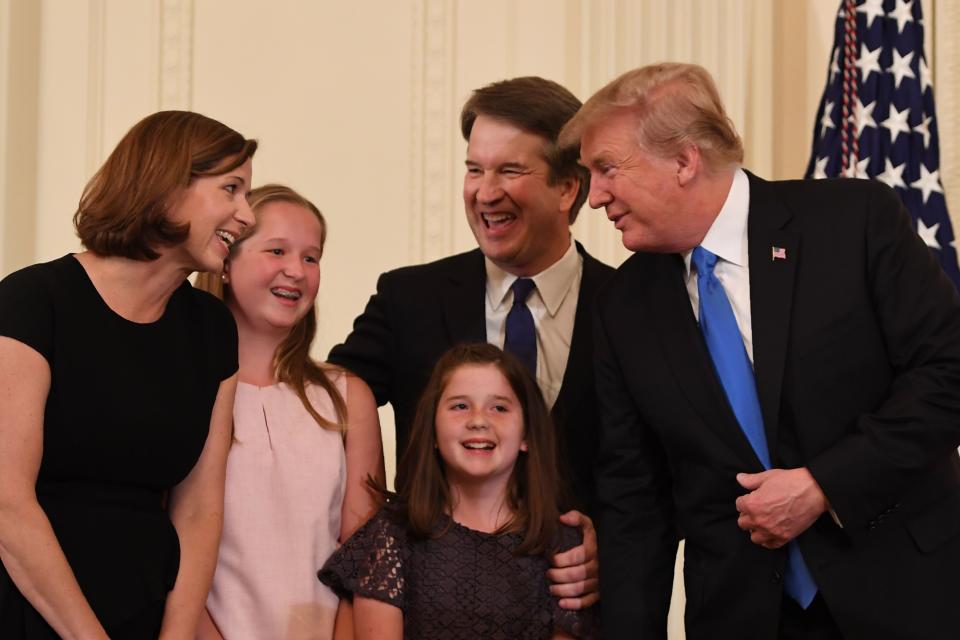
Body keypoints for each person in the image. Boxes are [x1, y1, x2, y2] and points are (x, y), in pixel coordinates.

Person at [560, 61, 960, 639]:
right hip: (742, 618)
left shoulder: (853, 223)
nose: (594, 197)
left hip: (905, 596)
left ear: (683, 159)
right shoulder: (623, 305)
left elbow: (947, 374)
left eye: (606, 169)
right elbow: (634, 500)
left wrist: (824, 485)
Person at [328, 77, 614, 607]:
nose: (485, 192)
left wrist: (613, 551)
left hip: (578, 613)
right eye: (474, 169)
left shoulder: (629, 307)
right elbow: (326, 406)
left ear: (568, 187)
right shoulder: (407, 297)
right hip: (433, 612)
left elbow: (673, 467)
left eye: (509, 170)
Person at [0, 111, 257, 638]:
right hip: (28, 608)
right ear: (166, 184)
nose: (247, 215)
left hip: (144, 610)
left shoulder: (212, 329)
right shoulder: (32, 301)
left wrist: (177, 636)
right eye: (231, 189)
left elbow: (200, 509)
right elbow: (7, 499)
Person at [193, 184, 384, 640]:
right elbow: (162, 549)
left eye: (311, 257)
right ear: (224, 263)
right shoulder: (183, 392)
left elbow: (365, 557)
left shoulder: (347, 397)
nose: (296, 271)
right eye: (276, 250)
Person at [319, 343, 599, 639]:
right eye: (460, 406)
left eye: (499, 407)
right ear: (434, 432)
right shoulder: (391, 537)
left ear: (526, 435)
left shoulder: (564, 547)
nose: (478, 420)